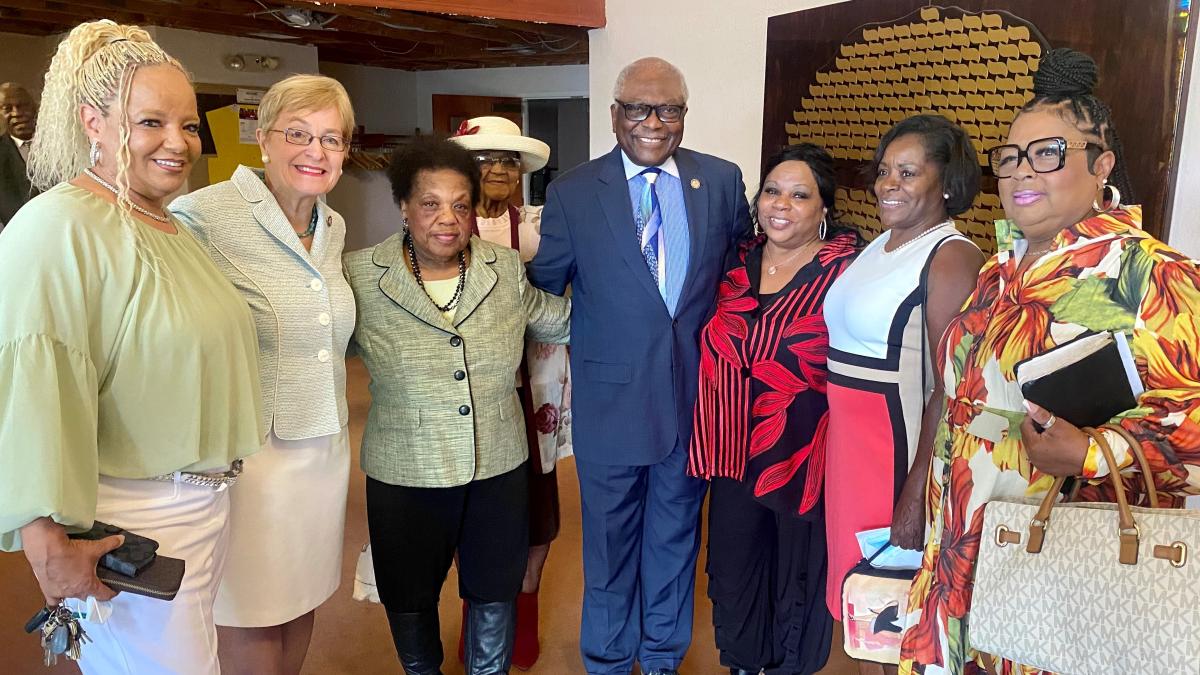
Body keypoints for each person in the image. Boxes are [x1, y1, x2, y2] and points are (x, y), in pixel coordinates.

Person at [898, 48, 1200, 675]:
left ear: (1102, 166)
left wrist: (1093, 454)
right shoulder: (997, 271)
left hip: (1064, 558)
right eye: (1010, 157)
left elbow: (1191, 424)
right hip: (965, 540)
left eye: (1049, 153)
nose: (1021, 172)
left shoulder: (1152, 275)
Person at [0, 19, 262, 674]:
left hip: (201, 504)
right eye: (151, 123)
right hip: (130, 518)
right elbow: (32, 385)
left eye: (190, 125)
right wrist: (46, 546)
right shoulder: (58, 225)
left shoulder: (168, 225)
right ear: (94, 122)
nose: (179, 143)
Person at [528, 56, 750, 675]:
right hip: (609, 405)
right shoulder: (573, 192)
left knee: (676, 542)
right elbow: (545, 292)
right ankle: (606, 659)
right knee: (609, 548)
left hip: (693, 402)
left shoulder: (722, 181)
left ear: (683, 114)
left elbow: (740, 275)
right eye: (638, 109)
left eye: (670, 109)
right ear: (615, 114)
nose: (654, 122)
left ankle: (659, 660)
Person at [344, 136, 571, 674]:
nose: (447, 219)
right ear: (403, 206)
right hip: (405, 470)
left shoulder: (505, 268)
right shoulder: (359, 276)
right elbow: (316, 342)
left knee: (495, 589)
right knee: (410, 594)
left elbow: (559, 320)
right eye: (430, 204)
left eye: (460, 205)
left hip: (496, 464)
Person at [169, 74, 356, 675]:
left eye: (332, 139)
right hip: (254, 458)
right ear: (263, 140)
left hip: (322, 450)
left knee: (303, 601)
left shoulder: (333, 225)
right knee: (251, 612)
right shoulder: (203, 214)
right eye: (298, 134)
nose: (316, 151)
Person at [821, 114, 984, 675]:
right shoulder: (884, 243)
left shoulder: (951, 257)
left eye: (908, 172)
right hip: (850, 452)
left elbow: (952, 386)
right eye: (885, 170)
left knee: (890, 614)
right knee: (862, 604)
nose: (888, 183)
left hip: (895, 459)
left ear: (946, 184)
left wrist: (914, 497)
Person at [688, 143, 859, 675]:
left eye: (800, 194)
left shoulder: (847, 271)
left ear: (824, 208)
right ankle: (743, 664)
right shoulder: (736, 261)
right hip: (734, 449)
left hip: (803, 457)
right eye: (772, 191)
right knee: (735, 572)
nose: (781, 204)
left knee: (796, 578)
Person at [449, 115, 571, 670]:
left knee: (538, 516)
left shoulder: (545, 226)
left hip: (533, 394)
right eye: (483, 159)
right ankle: (477, 631)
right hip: (469, 392)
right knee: (476, 515)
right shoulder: (441, 227)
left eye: (508, 160)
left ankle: (522, 628)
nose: (498, 169)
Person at [0, 82, 38, 226]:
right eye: (7, 109)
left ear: (34, 107)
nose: (17, 113)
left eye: (22, 106)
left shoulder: (60, 145)